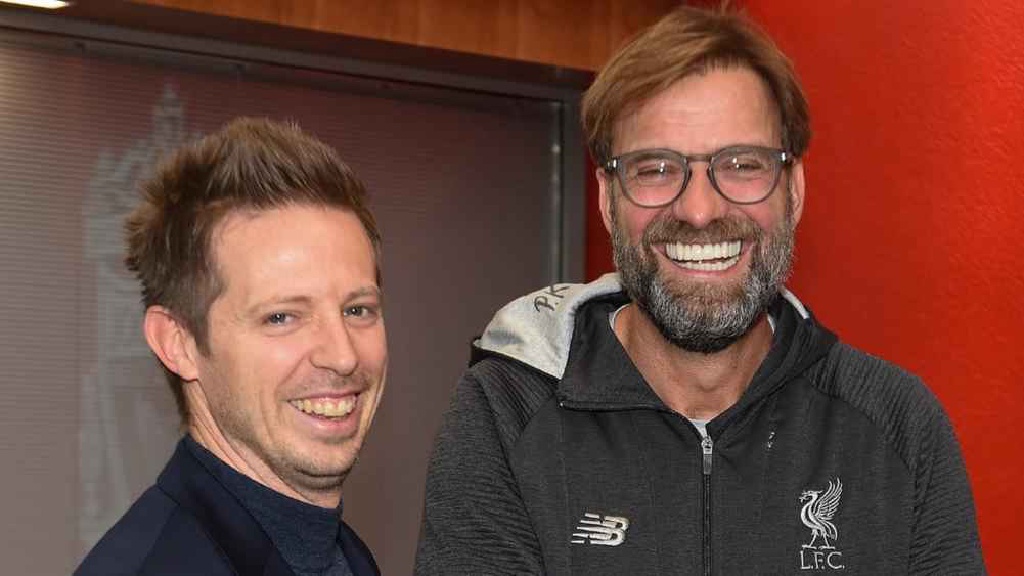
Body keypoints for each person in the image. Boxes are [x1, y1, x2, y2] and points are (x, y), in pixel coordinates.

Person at [415, 6, 985, 575]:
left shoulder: (897, 426)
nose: (699, 209)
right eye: (656, 169)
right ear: (607, 200)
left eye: (740, 164)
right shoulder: (506, 414)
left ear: (794, 190)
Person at [76, 118, 387, 576]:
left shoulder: (343, 556)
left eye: (357, 310)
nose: (343, 355)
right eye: (281, 317)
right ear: (178, 343)